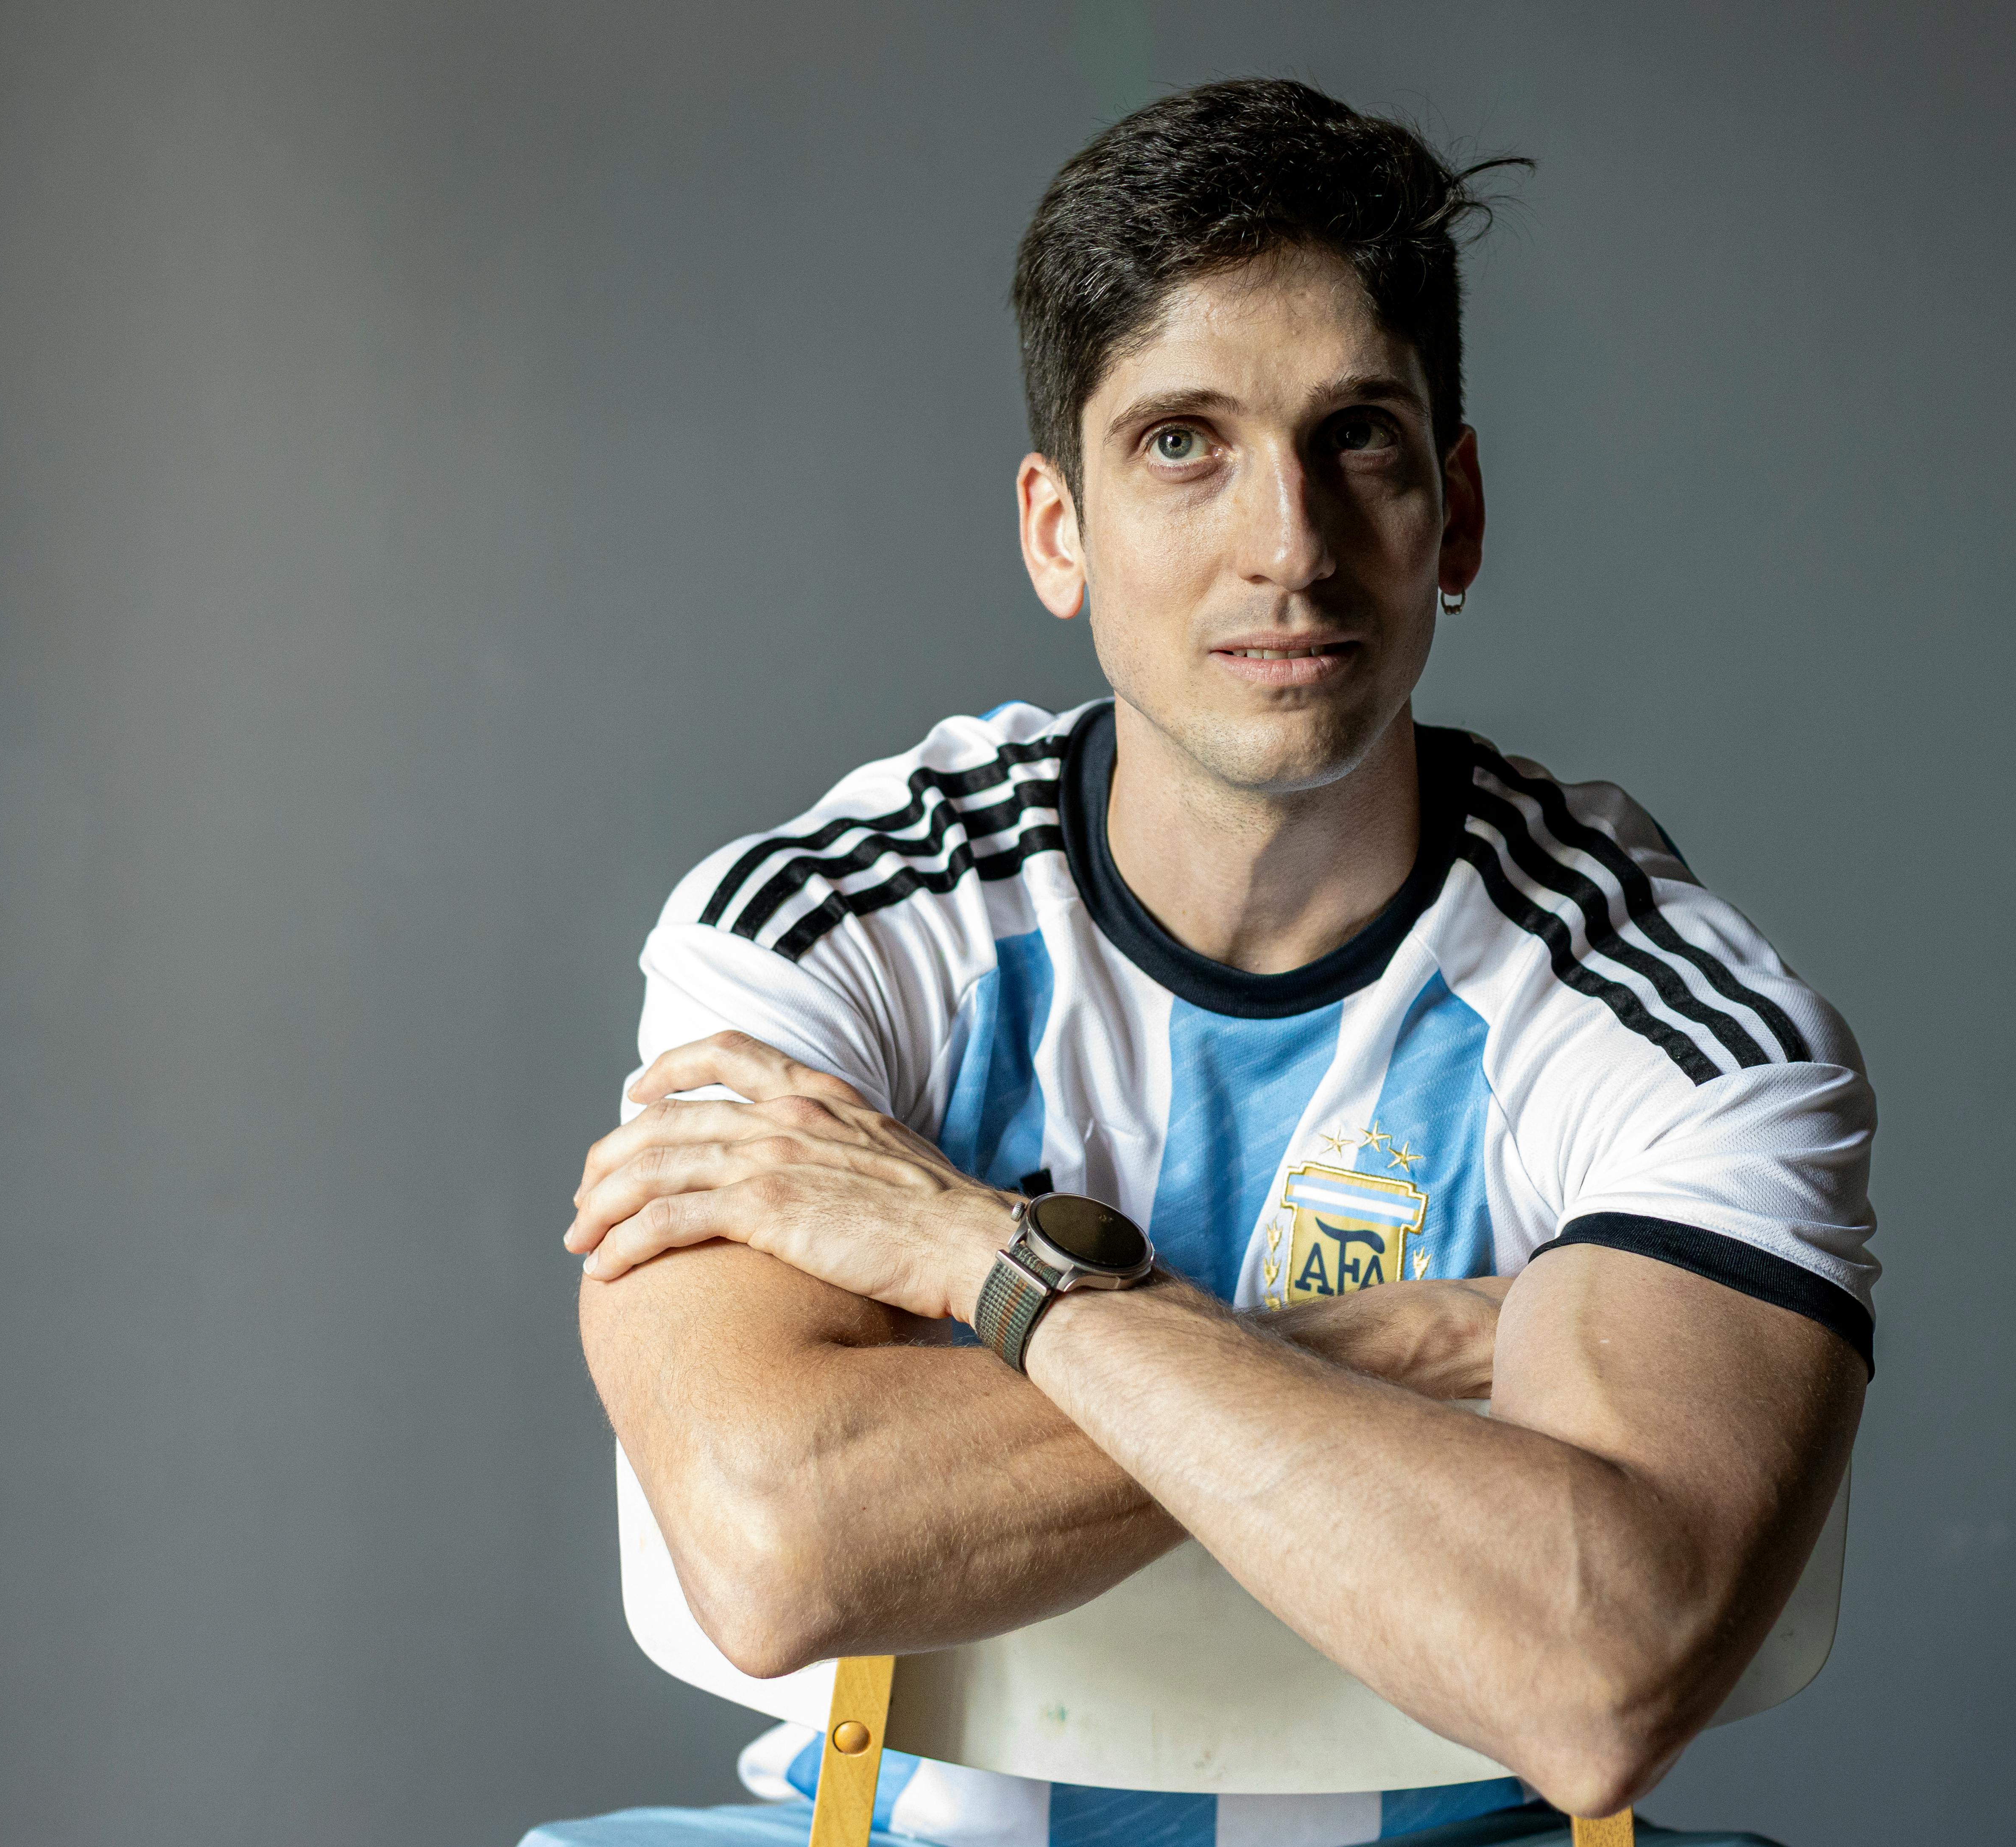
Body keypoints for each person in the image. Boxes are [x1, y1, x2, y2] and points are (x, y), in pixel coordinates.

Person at [526, 78, 1876, 1847]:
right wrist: (1399, 1344)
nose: (1287, 548)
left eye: (1357, 441)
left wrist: (966, 1255)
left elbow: (1596, 1675)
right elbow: (781, 1544)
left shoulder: (1670, 1016)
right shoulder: (826, 930)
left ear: (1452, 514)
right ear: (1053, 530)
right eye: (1182, 443)